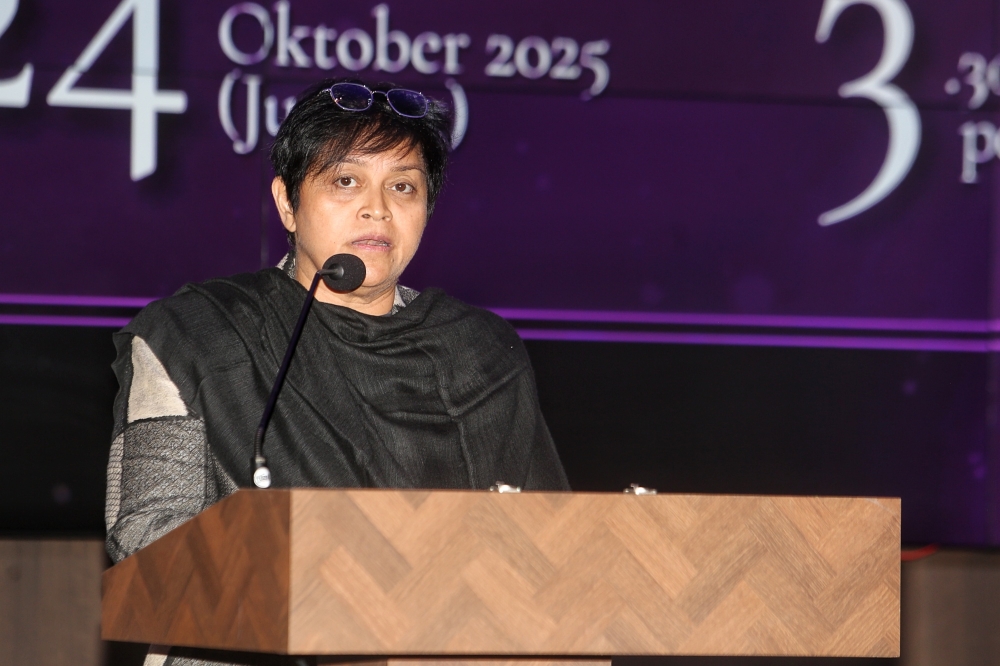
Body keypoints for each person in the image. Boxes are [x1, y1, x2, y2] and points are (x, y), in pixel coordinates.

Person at [104, 79, 569, 666]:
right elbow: (149, 541)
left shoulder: (481, 353)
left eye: (403, 186)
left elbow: (552, 555)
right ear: (286, 203)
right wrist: (328, 575)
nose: (377, 208)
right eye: (345, 181)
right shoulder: (200, 333)